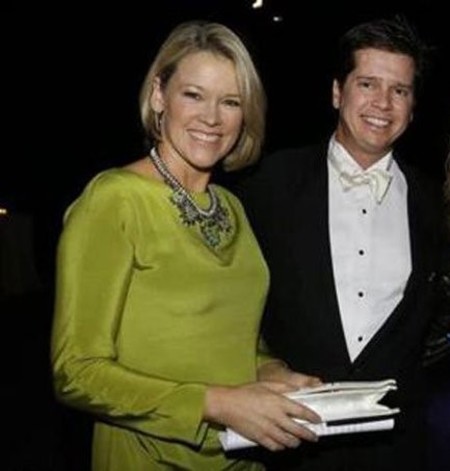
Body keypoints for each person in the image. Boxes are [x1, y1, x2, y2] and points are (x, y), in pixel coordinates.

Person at [50, 20, 322, 471]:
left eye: (231, 101)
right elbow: (76, 372)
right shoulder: (114, 200)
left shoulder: (232, 207)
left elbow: (228, 339)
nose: (212, 118)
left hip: (243, 455)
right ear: (159, 95)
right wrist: (215, 404)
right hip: (150, 457)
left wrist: (270, 371)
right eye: (193, 95)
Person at [234, 16, 445, 471]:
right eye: (367, 84)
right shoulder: (268, 184)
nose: (383, 103)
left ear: (412, 106)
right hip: (287, 440)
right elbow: (225, 303)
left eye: (400, 90)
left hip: (397, 451)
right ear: (337, 92)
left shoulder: (433, 203)